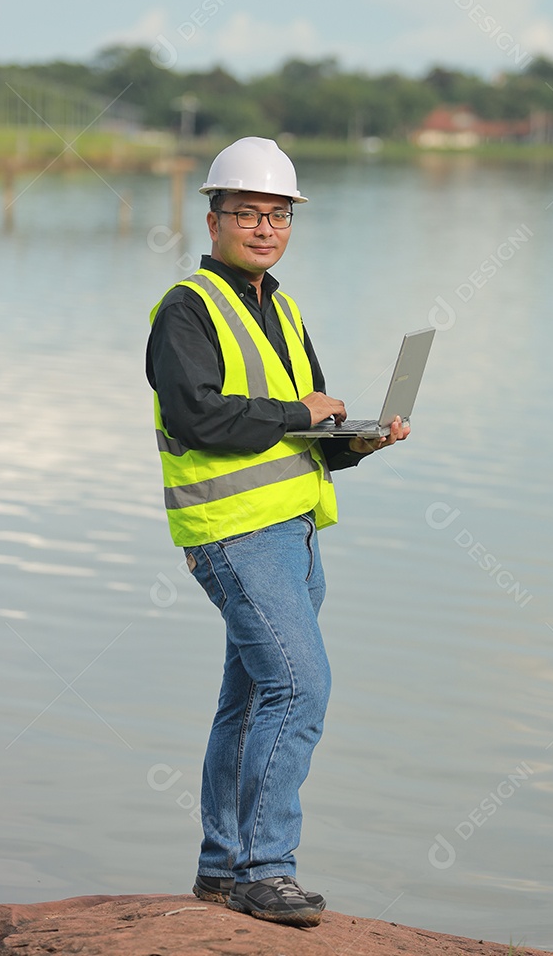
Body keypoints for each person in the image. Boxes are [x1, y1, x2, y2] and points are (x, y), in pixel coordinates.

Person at [146, 137, 409, 928]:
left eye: (278, 215)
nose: (265, 228)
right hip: (233, 534)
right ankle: (267, 870)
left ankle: (224, 870)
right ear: (215, 216)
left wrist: (356, 440)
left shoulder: (281, 306)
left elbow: (303, 428)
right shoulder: (186, 307)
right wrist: (305, 413)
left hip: (293, 532)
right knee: (301, 686)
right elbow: (201, 416)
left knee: (256, 694)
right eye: (248, 213)